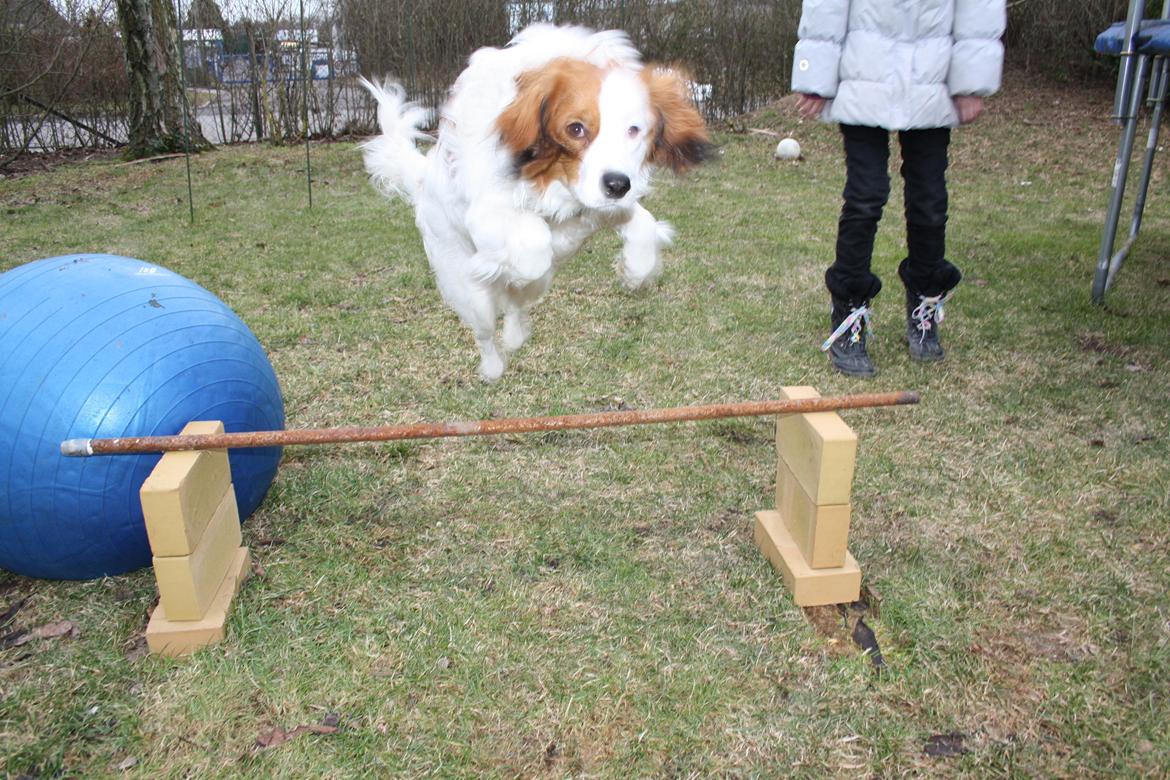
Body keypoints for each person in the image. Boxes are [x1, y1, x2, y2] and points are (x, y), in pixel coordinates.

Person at [792, 0, 1006, 376]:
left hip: (932, 79)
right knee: (865, 197)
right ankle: (849, 313)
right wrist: (815, 77)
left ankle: (925, 301)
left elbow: (979, 9)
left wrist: (971, 81)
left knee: (929, 201)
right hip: (863, 71)